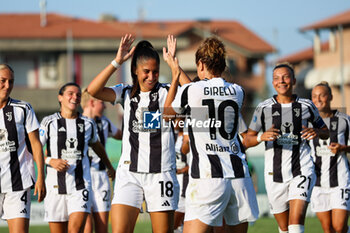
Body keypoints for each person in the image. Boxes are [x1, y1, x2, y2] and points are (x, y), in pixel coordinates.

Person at [87, 34, 184, 233]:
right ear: (135, 71)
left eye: (155, 72)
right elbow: (93, 90)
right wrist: (117, 61)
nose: (151, 77)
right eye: (146, 72)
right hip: (129, 174)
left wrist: (176, 69)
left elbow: (189, 91)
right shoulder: (125, 92)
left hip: (161, 173)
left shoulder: (167, 91)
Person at [163, 36, 259, 233]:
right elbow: (201, 94)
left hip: (208, 178)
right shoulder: (237, 91)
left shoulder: (191, 90)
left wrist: (174, 74)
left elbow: (167, 114)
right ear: (223, 65)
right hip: (239, 177)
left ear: (200, 64)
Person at [244, 62, 329, 233]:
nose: (281, 81)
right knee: (284, 228)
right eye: (276, 78)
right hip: (274, 175)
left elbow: (326, 132)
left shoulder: (307, 106)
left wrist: (316, 131)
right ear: (273, 82)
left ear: (294, 80)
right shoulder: (263, 108)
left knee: (295, 224)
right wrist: (262, 136)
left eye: (285, 77)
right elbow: (246, 140)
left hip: (302, 169)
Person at [39, 82, 115, 233]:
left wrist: (109, 166)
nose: (75, 97)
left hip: (81, 185)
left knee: (76, 229)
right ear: (60, 97)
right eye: (71, 94)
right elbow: (34, 149)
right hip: (55, 187)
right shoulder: (49, 122)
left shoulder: (88, 124)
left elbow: (97, 146)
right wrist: (50, 161)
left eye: (78, 95)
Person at [0, 64, 46, 233]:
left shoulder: (23, 109)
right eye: (2, 81)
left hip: (19, 184)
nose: (7, 86)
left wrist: (40, 176)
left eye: (10, 81)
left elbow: (35, 144)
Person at [310, 81, 350, 233]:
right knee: (328, 229)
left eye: (322, 95)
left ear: (331, 97)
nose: (318, 99)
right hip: (318, 183)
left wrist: (343, 148)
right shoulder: (308, 121)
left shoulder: (345, 120)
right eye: (314, 96)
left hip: (340, 180)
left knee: (339, 228)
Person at [81, 89, 122, 233]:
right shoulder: (77, 123)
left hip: (101, 177)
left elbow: (121, 135)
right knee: (86, 226)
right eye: (102, 102)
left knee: (102, 226)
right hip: (82, 176)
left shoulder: (105, 122)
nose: (104, 106)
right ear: (92, 102)